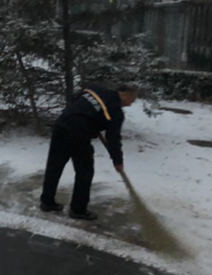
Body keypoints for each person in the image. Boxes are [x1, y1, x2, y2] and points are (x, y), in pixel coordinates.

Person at [40, 84, 139, 221]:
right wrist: (117, 160)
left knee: (54, 166)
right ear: (124, 94)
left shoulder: (95, 89)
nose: (130, 104)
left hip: (61, 125)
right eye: (132, 100)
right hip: (79, 133)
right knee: (84, 171)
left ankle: (47, 202)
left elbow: (75, 99)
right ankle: (78, 209)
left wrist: (89, 120)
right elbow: (113, 138)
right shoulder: (115, 110)